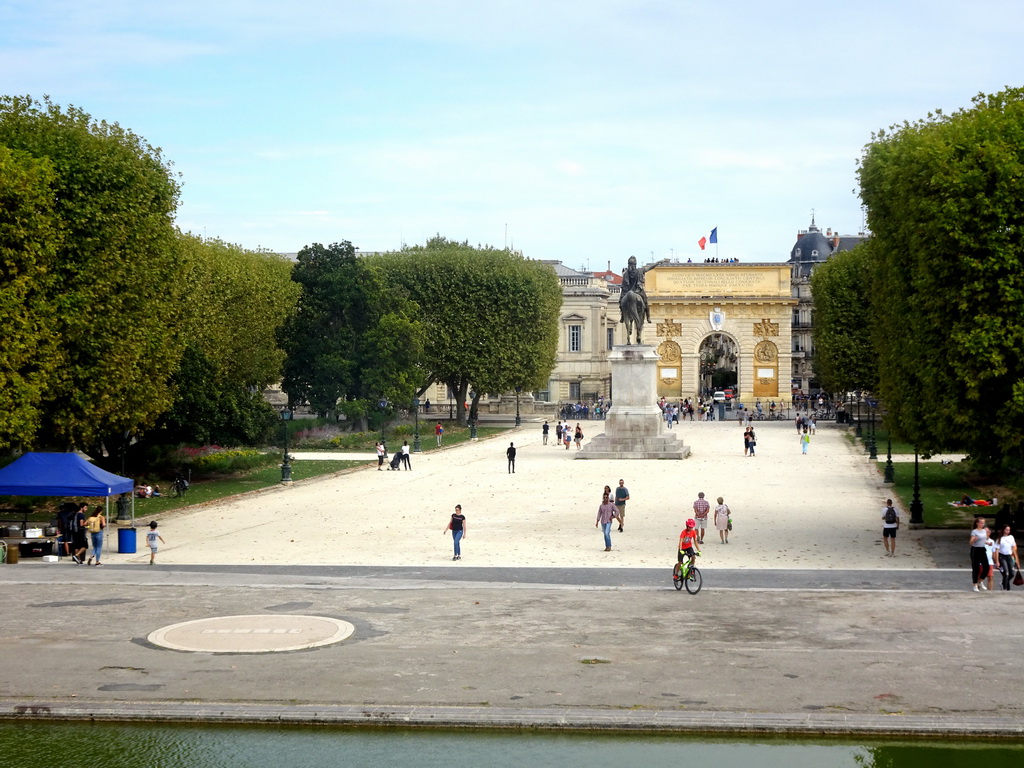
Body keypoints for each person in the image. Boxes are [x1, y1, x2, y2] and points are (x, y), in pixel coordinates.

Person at [994, 525, 1020, 591]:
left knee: (1012, 573)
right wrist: (997, 561)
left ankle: (1004, 583)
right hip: (1002, 556)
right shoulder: (1000, 539)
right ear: (1003, 530)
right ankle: (1005, 588)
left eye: (1009, 530)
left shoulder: (1011, 537)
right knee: (1006, 573)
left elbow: (1014, 549)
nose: (1008, 531)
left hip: (1009, 556)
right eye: (1006, 530)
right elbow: (997, 551)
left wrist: (1016, 560)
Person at [970, 516, 992, 591]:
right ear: (977, 523)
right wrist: (974, 540)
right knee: (975, 568)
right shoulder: (974, 531)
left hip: (982, 549)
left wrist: (988, 543)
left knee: (986, 567)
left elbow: (982, 540)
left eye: (983, 523)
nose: (982, 524)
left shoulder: (984, 531)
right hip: (975, 549)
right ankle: (975, 585)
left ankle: (981, 581)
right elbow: (970, 543)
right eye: (981, 523)